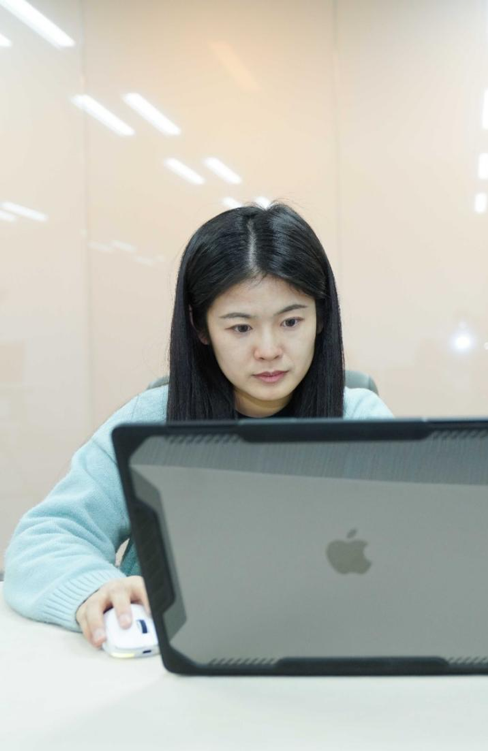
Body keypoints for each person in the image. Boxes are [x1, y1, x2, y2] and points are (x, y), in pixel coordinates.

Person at [4, 203, 392, 645]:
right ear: (201, 327)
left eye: (290, 321)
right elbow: (45, 538)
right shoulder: (151, 420)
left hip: (324, 654)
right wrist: (97, 590)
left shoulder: (362, 421)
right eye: (241, 328)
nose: (268, 349)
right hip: (166, 668)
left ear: (320, 318)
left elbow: (418, 547)